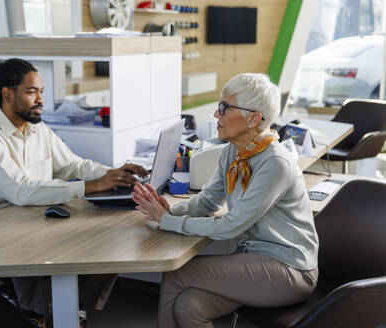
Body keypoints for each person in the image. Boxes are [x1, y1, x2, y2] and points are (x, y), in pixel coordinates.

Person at [0, 56, 148, 321]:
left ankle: (64, 310)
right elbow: (21, 190)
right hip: (1, 226)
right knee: (59, 249)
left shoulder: (37, 129)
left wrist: (112, 173)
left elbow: (73, 165)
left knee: (112, 242)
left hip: (37, 214)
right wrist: (90, 186)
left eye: (41, 91)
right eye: (31, 92)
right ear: (7, 94)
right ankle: (42, 313)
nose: (40, 99)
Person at [132, 73, 319, 328]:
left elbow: (230, 226)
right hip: (255, 258)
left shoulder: (275, 163)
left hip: (290, 270)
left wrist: (167, 222)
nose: (216, 115)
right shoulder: (235, 151)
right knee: (189, 306)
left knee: (177, 273)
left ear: (254, 119)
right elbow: (208, 201)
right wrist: (172, 212)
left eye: (224, 108)